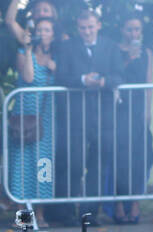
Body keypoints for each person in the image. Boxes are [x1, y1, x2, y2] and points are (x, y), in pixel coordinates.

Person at [56, 7, 122, 220]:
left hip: (103, 116)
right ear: (78, 27)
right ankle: (67, 212)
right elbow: (61, 76)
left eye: (91, 27)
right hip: (76, 115)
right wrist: (83, 80)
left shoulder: (110, 46)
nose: (87, 31)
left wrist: (104, 82)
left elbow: (119, 75)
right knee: (74, 164)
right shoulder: (67, 47)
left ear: (98, 26)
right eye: (83, 28)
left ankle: (90, 212)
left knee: (98, 165)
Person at [8, 16, 57, 217]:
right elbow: (28, 76)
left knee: (43, 163)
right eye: (40, 30)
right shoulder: (22, 53)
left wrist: (55, 66)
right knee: (23, 162)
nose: (43, 34)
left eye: (47, 30)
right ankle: (22, 215)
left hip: (47, 115)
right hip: (25, 115)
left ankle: (41, 213)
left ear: (52, 35)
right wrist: (29, 50)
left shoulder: (57, 56)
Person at [113, 13, 153, 224]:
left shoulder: (146, 53)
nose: (133, 33)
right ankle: (119, 205)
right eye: (130, 29)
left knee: (140, 158)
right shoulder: (115, 51)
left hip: (137, 110)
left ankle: (135, 204)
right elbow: (115, 74)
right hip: (118, 110)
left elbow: (148, 82)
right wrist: (129, 57)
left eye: (137, 29)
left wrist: (148, 111)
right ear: (123, 30)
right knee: (120, 159)